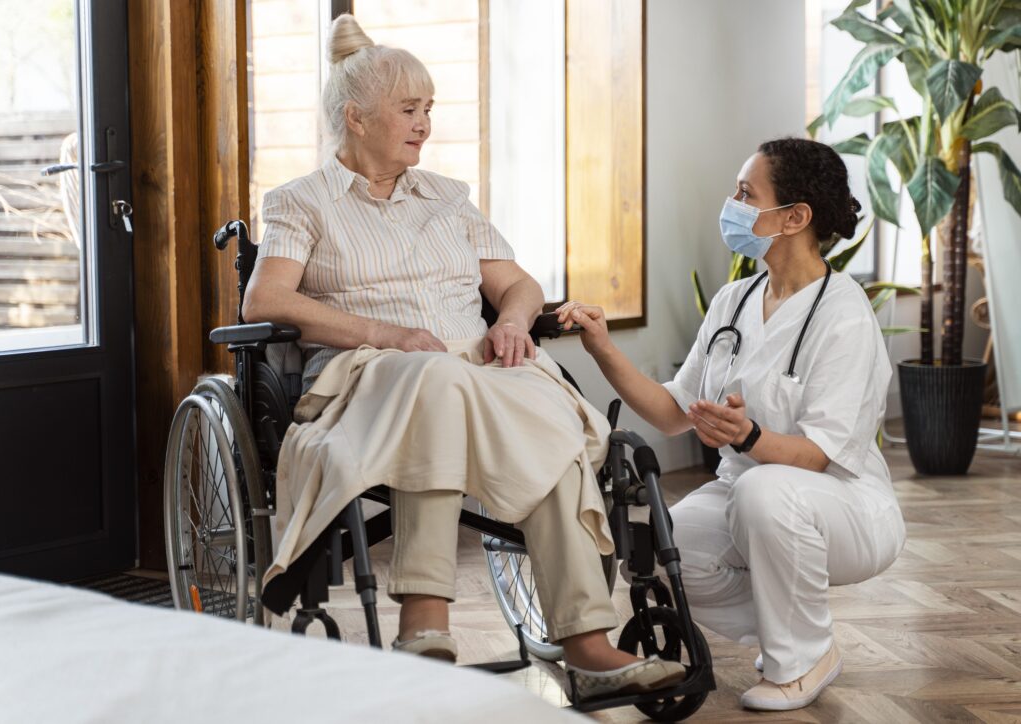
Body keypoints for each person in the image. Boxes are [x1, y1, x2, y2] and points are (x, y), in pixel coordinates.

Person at [242, 14, 685, 699]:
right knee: (438, 376)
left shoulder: (449, 199)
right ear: (356, 119)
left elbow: (516, 284)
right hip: (370, 374)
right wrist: (384, 335)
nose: (425, 124)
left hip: (473, 367)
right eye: (409, 110)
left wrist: (511, 320)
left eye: (429, 110)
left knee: (548, 412)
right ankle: (425, 616)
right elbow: (264, 299)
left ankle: (587, 642)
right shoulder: (302, 202)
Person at [558, 138, 906, 711]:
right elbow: (674, 411)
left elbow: (820, 455)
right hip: (743, 494)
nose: (733, 205)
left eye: (747, 194)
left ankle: (804, 657)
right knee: (664, 554)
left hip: (844, 505)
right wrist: (601, 349)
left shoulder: (843, 312)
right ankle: (788, 622)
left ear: (795, 217)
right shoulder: (734, 300)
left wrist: (747, 437)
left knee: (763, 489)